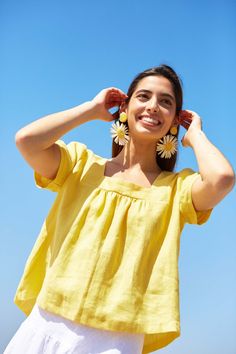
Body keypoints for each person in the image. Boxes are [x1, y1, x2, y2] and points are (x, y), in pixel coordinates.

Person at [4, 65, 235, 354]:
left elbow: (222, 179)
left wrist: (196, 135)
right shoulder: (79, 164)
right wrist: (90, 110)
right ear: (125, 106)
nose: (153, 107)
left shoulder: (177, 190)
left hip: (115, 341)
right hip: (48, 322)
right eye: (143, 96)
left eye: (166, 102)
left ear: (176, 119)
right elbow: (27, 141)